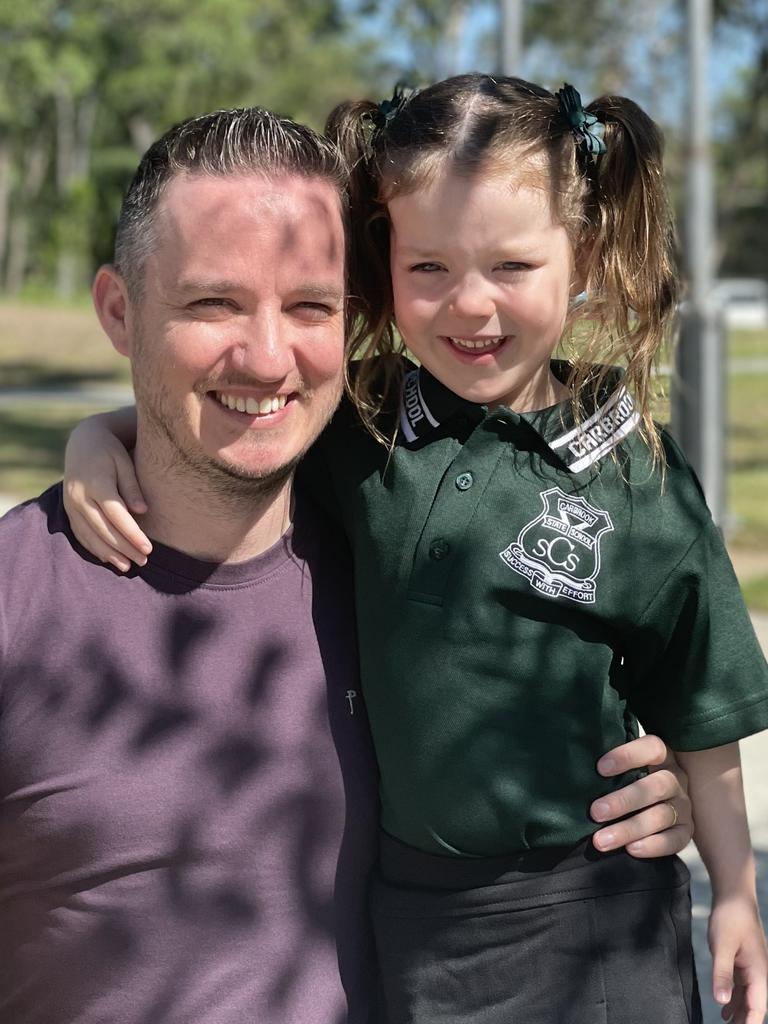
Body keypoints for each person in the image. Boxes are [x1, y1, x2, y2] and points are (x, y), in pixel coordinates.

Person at [60, 88, 707, 1020]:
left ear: (582, 261)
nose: (472, 301)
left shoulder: (613, 464)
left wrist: (688, 806)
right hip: (424, 957)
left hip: (582, 928)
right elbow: (220, 418)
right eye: (431, 265)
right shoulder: (367, 444)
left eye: (511, 262)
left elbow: (679, 675)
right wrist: (102, 434)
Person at [0, 108, 381, 1024]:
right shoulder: (14, 603)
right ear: (119, 313)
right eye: (213, 303)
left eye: (309, 306)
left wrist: (653, 792)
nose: (266, 356)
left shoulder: (408, 579)